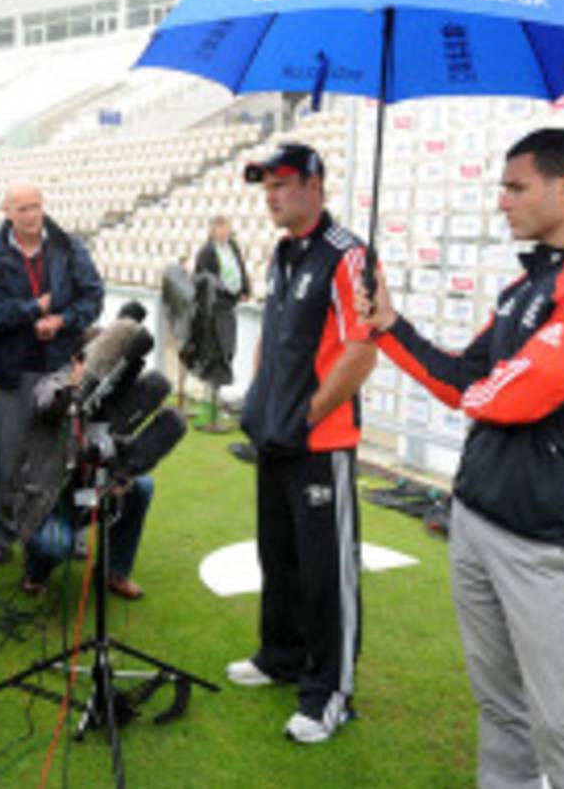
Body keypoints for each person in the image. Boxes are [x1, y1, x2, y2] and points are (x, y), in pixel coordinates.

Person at [357, 128, 564, 789]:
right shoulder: (528, 287)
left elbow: (514, 396)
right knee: (500, 707)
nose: (501, 202)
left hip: (542, 540)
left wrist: (476, 391)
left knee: (559, 719)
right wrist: (390, 328)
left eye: (515, 187)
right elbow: (464, 375)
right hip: (477, 518)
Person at [228, 143, 376, 745]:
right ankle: (280, 655)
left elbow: (363, 350)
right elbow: (274, 335)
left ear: (316, 184)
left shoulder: (349, 255)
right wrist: (264, 403)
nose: (272, 195)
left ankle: (329, 692)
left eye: (283, 184)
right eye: (265, 186)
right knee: (278, 557)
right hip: (276, 436)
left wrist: (305, 417)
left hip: (321, 441)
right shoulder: (283, 253)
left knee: (326, 572)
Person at [0, 184, 103, 564]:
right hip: (11, 373)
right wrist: (32, 310)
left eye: (36, 207)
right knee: (9, 458)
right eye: (23, 208)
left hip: (61, 367)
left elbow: (93, 297)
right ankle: (3, 531)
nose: (32, 215)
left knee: (66, 454)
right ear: (7, 211)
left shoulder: (68, 247)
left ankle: (73, 528)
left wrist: (63, 320)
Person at [11, 343, 153, 600]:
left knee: (141, 486)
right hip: (48, 499)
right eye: (99, 365)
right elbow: (49, 404)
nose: (104, 374)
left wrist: (120, 476)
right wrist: (75, 387)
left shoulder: (111, 396)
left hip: (89, 492)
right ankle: (35, 573)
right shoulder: (53, 384)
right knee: (55, 544)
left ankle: (115, 572)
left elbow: (119, 446)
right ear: (77, 360)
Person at [193, 215, 250, 386]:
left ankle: (220, 383)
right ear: (213, 231)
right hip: (215, 305)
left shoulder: (232, 247)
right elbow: (202, 279)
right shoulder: (207, 252)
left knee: (229, 345)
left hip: (230, 303)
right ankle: (214, 387)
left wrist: (245, 288)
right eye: (221, 228)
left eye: (227, 228)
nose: (225, 232)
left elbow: (240, 267)